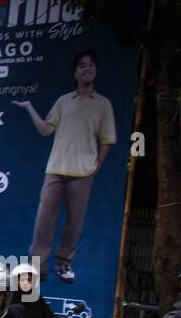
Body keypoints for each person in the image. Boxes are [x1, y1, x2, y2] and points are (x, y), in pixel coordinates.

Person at [14, 50, 116, 284]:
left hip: (82, 172)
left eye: (91, 65)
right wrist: (29, 107)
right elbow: (45, 130)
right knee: (44, 219)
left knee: (74, 221)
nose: (87, 68)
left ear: (96, 70)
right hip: (56, 168)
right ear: (75, 72)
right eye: (82, 65)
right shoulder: (63, 101)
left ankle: (63, 261)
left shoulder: (102, 104)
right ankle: (38, 266)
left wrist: (95, 166)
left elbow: (107, 139)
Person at [10, 262, 83, 318]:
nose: (26, 283)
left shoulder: (37, 298)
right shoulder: (8, 297)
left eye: (29, 280)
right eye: (22, 279)